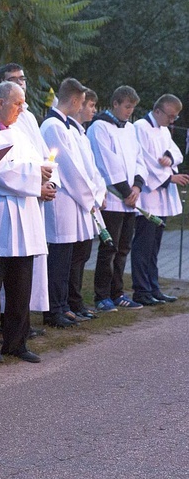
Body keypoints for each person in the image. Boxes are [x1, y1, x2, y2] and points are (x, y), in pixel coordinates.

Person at [0, 81, 52, 364]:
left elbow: (36, 165)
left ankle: (17, 342)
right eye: (18, 103)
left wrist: (43, 182)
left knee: (20, 285)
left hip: (24, 219)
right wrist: (33, 179)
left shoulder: (20, 133)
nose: (22, 108)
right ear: (0, 102)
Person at [88, 85, 147, 311]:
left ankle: (118, 292)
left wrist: (137, 187)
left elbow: (138, 160)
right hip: (113, 199)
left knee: (123, 249)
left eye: (132, 108)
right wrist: (125, 191)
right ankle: (102, 295)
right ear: (115, 104)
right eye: (127, 106)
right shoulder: (100, 127)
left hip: (130, 199)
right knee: (109, 249)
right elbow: (106, 162)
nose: (129, 111)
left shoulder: (130, 129)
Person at [39, 78, 92, 328]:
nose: (82, 108)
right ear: (73, 100)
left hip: (73, 200)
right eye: (82, 103)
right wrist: (88, 197)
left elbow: (82, 164)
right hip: (61, 201)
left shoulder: (67, 127)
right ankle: (54, 309)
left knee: (69, 256)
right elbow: (68, 168)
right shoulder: (53, 126)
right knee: (59, 258)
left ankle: (65, 305)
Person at [131, 94, 189, 305]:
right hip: (148, 196)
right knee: (143, 246)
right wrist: (168, 177)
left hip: (161, 198)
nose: (172, 121)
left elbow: (176, 152)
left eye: (175, 117)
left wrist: (170, 158)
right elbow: (143, 160)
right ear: (158, 111)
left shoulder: (163, 130)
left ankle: (153, 287)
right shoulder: (140, 127)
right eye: (171, 116)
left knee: (154, 246)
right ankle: (141, 290)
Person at [67, 88, 104, 320]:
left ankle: (76, 301)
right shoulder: (65, 129)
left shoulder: (82, 132)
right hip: (78, 203)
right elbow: (74, 170)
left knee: (82, 255)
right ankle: (67, 303)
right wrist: (91, 199)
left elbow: (93, 170)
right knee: (72, 258)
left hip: (89, 202)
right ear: (79, 105)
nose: (93, 110)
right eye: (90, 105)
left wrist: (98, 196)